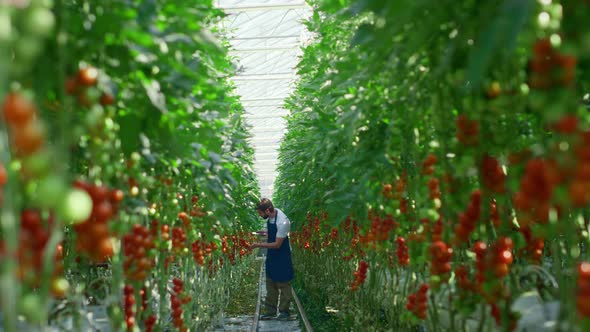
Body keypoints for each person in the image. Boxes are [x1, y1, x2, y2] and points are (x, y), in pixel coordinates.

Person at [250, 198, 294, 321]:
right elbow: (272, 234)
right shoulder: (271, 216)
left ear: (268, 210)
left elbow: (277, 244)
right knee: (270, 282)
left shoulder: (283, 222)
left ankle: (284, 311)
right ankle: (270, 311)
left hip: (282, 255)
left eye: (260, 213)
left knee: (284, 283)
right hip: (272, 256)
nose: (260, 215)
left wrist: (258, 245)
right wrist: (262, 233)